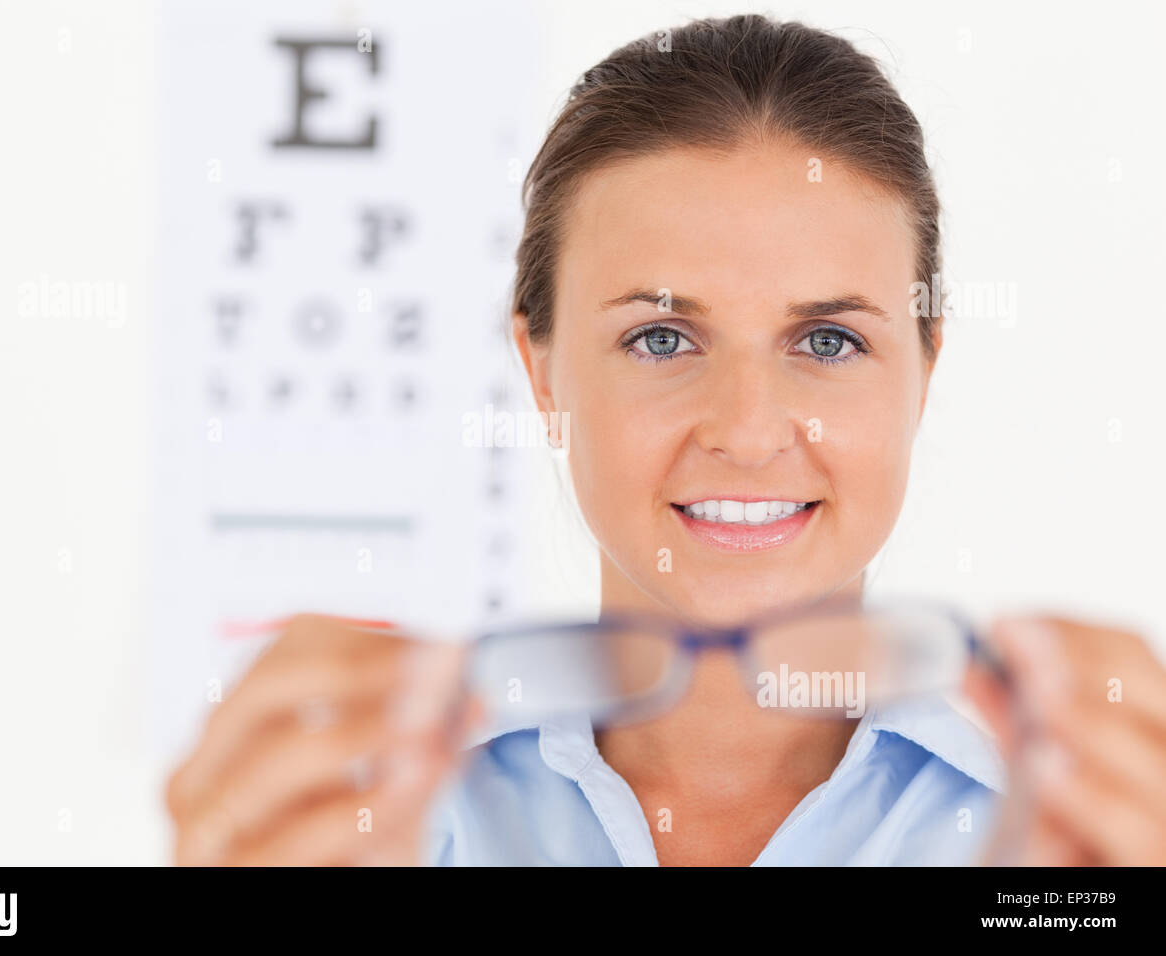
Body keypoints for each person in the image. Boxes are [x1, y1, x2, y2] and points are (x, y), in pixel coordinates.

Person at [164, 14, 1166, 866]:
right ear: (542, 369)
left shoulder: (1056, 841)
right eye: (659, 336)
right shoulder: (369, 822)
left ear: (923, 369)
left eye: (827, 338)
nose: (743, 427)